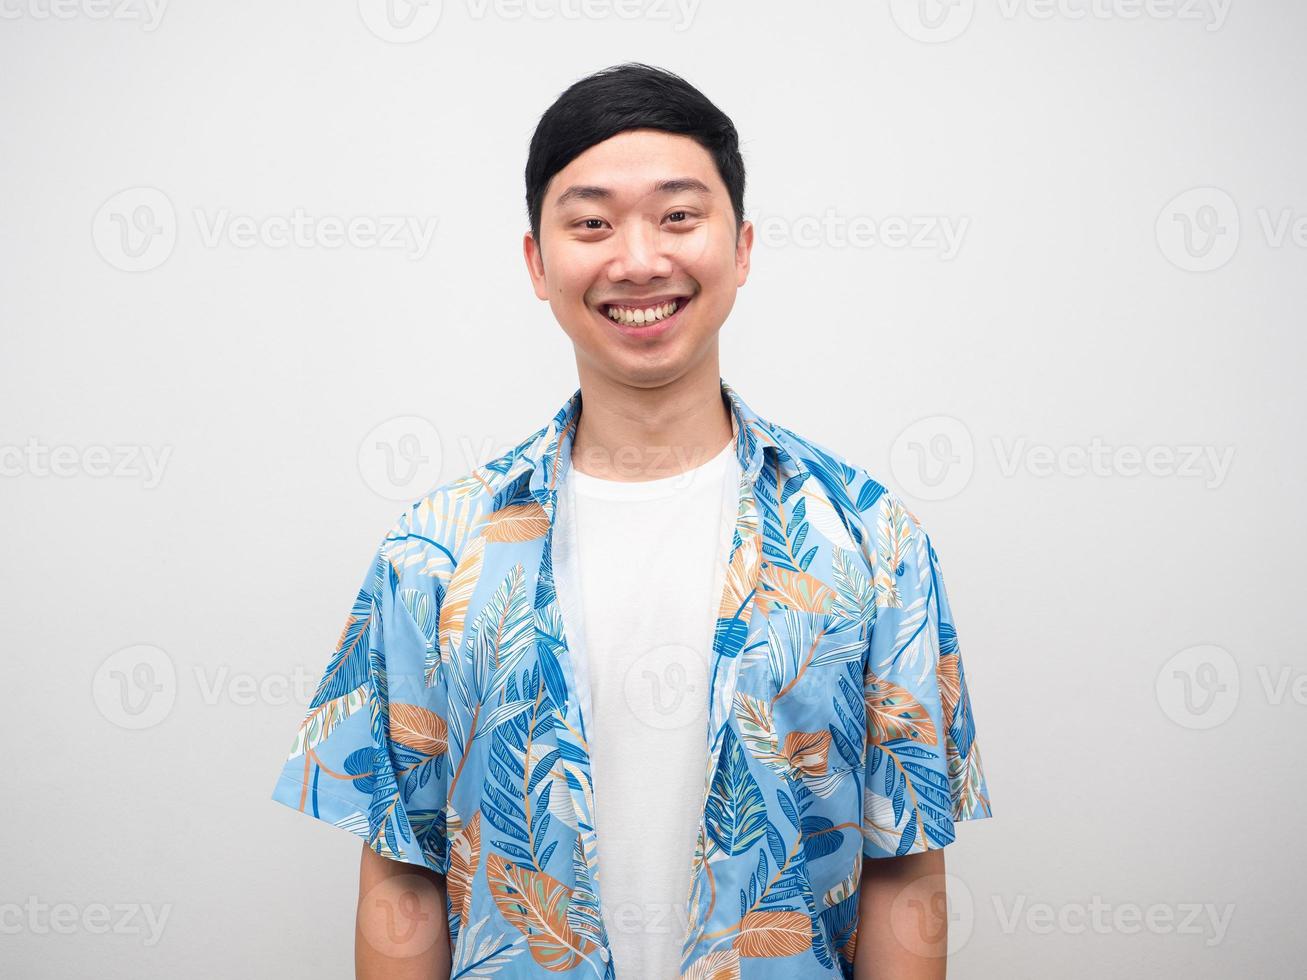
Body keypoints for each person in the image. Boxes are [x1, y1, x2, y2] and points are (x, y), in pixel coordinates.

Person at [270, 62, 993, 980]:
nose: (639, 259)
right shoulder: (434, 551)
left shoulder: (870, 538)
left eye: (679, 215)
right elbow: (400, 873)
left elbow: (903, 866)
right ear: (537, 262)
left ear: (742, 248)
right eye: (591, 223)